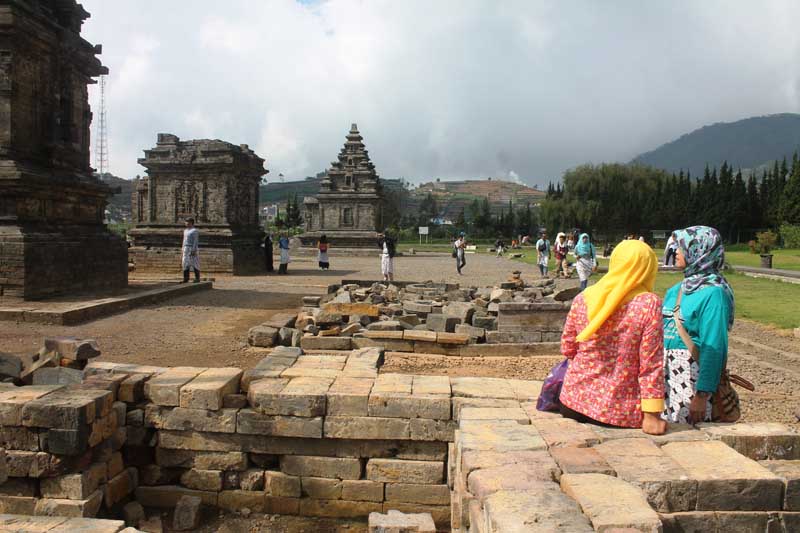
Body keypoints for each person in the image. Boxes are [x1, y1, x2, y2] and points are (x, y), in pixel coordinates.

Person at [559, 240, 666, 435]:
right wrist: (652, 414)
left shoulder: (584, 297)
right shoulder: (648, 304)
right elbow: (651, 364)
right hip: (618, 412)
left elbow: (567, 347)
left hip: (573, 401)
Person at [662, 226, 734, 425]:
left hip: (692, 382)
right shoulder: (675, 290)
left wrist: (702, 395)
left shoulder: (714, 294)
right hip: (666, 381)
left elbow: (714, 347)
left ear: (700, 252)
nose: (675, 251)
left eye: (682, 247)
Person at [181, 217, 200, 283]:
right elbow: (184, 240)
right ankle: (186, 278)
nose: (186, 223)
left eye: (188, 222)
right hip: (186, 247)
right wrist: (182, 248)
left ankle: (197, 278)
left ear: (191, 223)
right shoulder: (185, 231)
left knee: (194, 263)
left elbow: (195, 241)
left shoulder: (194, 231)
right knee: (185, 262)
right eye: (186, 222)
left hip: (192, 247)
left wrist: (194, 250)